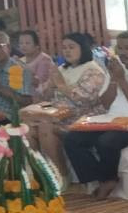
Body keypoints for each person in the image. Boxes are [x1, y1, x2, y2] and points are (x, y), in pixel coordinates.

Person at [62, 30, 128, 198]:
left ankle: (109, 180)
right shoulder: (115, 69)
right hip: (111, 120)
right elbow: (106, 103)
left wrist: (122, 79)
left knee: (106, 141)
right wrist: (114, 79)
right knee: (72, 138)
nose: (123, 52)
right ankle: (96, 179)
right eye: (119, 48)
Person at [24, 32, 110, 167]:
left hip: (81, 117)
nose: (67, 51)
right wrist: (50, 86)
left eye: (71, 47)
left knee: (46, 127)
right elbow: (45, 98)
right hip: (57, 114)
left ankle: (59, 173)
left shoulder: (93, 70)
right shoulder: (62, 69)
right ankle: (39, 173)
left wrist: (61, 85)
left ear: (83, 48)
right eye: (64, 48)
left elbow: (83, 101)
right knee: (27, 129)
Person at [15, 30, 57, 96]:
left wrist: (22, 68)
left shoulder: (44, 60)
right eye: (21, 43)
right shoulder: (21, 60)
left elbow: (39, 83)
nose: (23, 46)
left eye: (27, 43)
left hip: (42, 96)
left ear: (37, 45)